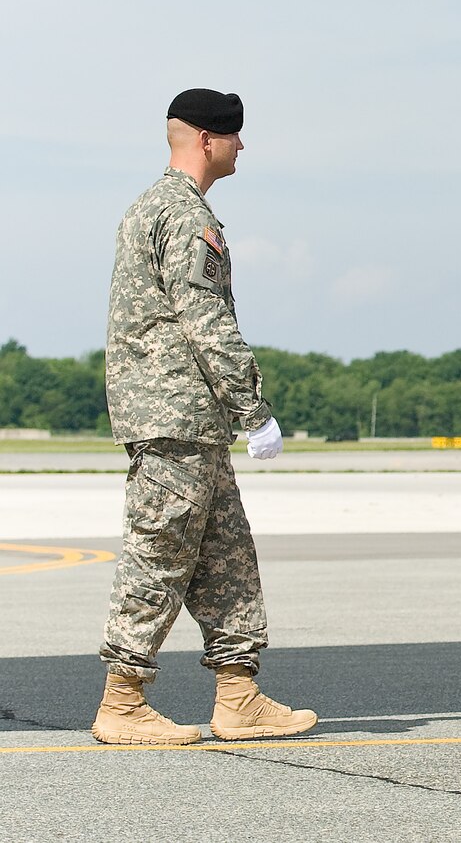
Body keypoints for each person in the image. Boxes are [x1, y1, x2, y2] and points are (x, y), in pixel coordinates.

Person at [91, 89, 315, 746]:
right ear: (206, 139)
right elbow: (206, 319)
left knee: (228, 559)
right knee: (158, 555)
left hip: (185, 420)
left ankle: (239, 694)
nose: (241, 146)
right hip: (176, 416)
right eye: (234, 135)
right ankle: (122, 699)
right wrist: (255, 409)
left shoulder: (148, 206)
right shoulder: (188, 218)